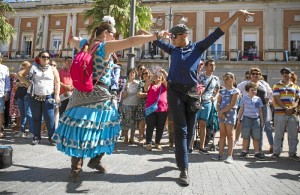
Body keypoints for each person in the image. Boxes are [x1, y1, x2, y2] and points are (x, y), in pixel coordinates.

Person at [51, 17, 162, 183]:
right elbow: (131, 41)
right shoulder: (105, 46)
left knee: (80, 129)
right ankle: (94, 161)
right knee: (109, 127)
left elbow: (71, 39)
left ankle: (76, 168)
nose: (115, 36)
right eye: (113, 33)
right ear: (105, 33)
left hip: (80, 94)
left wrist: (71, 33)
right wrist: (156, 36)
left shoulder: (85, 44)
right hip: (100, 94)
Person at [152, 9, 254, 185]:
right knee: (181, 130)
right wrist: (156, 34)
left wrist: (237, 14)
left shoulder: (198, 47)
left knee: (190, 132)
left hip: (192, 94)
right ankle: (184, 170)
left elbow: (218, 31)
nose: (172, 40)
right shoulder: (172, 50)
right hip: (174, 91)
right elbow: (151, 38)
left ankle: (181, 159)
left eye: (174, 37)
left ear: (184, 35)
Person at [16, 51, 61, 145]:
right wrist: (27, 83)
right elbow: (19, 74)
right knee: (36, 117)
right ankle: (36, 137)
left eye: (48, 57)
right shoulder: (32, 67)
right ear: (39, 58)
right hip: (33, 96)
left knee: (50, 118)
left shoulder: (53, 69)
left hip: (48, 96)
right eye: (43, 57)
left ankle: (52, 138)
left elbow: (57, 82)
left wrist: (56, 95)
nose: (46, 59)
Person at [237, 68, 273, 153]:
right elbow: (236, 90)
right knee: (247, 129)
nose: (255, 75)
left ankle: (258, 151)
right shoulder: (246, 83)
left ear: (260, 75)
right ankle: (246, 150)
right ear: (250, 75)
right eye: (253, 73)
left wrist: (267, 99)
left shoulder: (263, 83)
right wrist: (241, 98)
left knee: (260, 129)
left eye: (258, 73)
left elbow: (270, 92)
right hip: (248, 109)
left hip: (262, 109)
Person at [271, 68, 300, 161]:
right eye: (282, 73)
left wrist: (293, 107)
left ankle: (292, 153)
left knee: (293, 135)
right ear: (281, 74)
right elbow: (276, 98)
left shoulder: (296, 87)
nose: (284, 74)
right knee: (278, 134)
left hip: (293, 114)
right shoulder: (276, 86)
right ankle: (276, 152)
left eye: (286, 72)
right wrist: (285, 108)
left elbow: (298, 99)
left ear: (290, 74)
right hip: (280, 113)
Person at [212, 72, 239, 163]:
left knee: (230, 135)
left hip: (230, 114)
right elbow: (218, 102)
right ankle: (220, 155)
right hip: (221, 114)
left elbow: (232, 104)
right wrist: (219, 112)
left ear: (232, 79)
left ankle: (229, 156)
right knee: (222, 134)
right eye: (224, 79)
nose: (225, 81)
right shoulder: (222, 91)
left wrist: (222, 112)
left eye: (227, 79)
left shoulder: (235, 91)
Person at [196, 59, 220, 155]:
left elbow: (218, 90)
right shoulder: (200, 76)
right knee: (193, 124)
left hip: (207, 102)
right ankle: (189, 146)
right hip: (198, 101)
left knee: (203, 124)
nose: (212, 66)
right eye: (210, 65)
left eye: (214, 65)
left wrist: (215, 97)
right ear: (206, 66)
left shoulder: (216, 79)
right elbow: (195, 87)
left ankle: (202, 146)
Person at [237, 82, 265, 160]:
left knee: (256, 137)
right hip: (246, 119)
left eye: (255, 90)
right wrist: (238, 119)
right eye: (252, 90)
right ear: (247, 91)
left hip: (256, 120)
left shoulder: (258, 99)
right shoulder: (244, 98)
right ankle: (244, 151)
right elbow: (241, 109)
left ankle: (256, 152)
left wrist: (262, 121)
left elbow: (260, 110)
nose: (254, 92)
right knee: (245, 136)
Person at [144, 67, 168, 151]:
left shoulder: (164, 85)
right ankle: (148, 143)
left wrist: (163, 72)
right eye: (157, 75)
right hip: (151, 109)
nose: (158, 76)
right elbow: (145, 87)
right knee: (150, 126)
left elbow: (169, 84)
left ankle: (157, 143)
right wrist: (152, 78)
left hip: (162, 109)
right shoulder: (150, 84)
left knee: (160, 127)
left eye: (159, 76)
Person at [14, 61, 34, 138]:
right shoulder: (20, 74)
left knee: (28, 113)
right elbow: (16, 85)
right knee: (22, 114)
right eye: (22, 66)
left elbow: (30, 85)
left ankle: (31, 132)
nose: (23, 68)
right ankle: (21, 131)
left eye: (25, 66)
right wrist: (21, 84)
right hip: (20, 95)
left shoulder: (31, 74)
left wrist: (22, 83)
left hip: (27, 95)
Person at [121, 68, 139, 144]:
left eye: (133, 73)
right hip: (126, 104)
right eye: (130, 73)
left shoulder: (138, 84)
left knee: (133, 122)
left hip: (135, 104)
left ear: (135, 74)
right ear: (128, 74)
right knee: (126, 121)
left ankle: (132, 138)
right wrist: (126, 88)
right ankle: (126, 137)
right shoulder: (125, 83)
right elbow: (123, 96)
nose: (132, 74)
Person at [136, 68, 152, 145]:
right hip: (142, 104)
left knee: (150, 123)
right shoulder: (141, 83)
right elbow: (139, 94)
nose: (146, 74)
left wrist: (145, 95)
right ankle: (141, 138)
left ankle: (148, 139)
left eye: (147, 73)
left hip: (151, 105)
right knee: (142, 122)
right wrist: (149, 95)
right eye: (144, 73)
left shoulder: (152, 83)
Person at [0, 53, 11, 138]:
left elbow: (7, 82)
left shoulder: (4, 68)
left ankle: (0, 130)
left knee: (1, 113)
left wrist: (7, 92)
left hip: (1, 94)